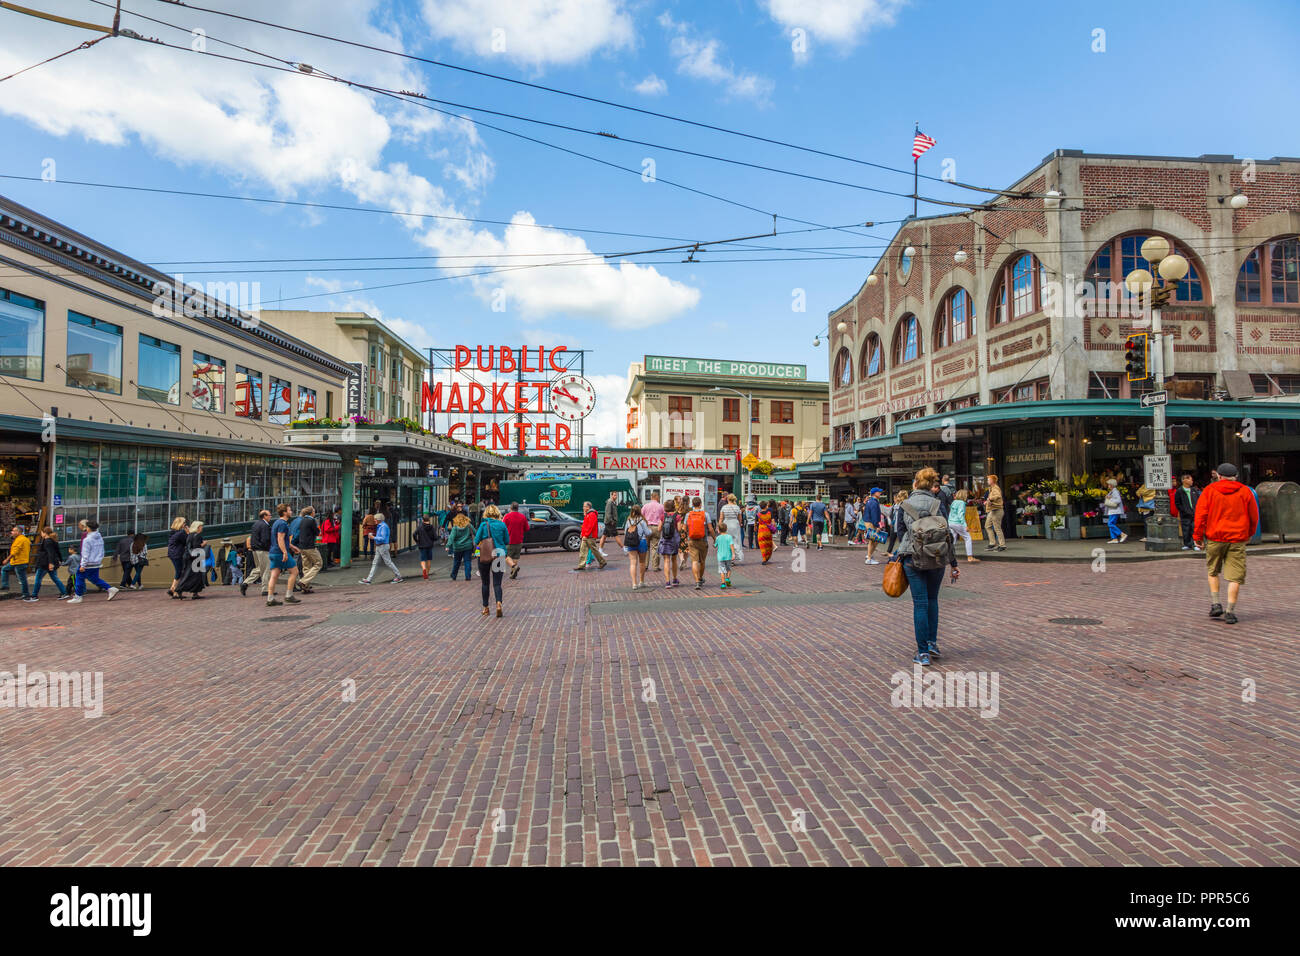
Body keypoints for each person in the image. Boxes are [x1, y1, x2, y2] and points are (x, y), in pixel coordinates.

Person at [894, 467, 959, 666]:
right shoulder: (938, 504)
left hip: (912, 558)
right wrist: (954, 563)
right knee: (933, 600)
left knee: (920, 603)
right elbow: (946, 534)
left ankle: (922, 653)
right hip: (936, 558)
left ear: (915, 483)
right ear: (932, 485)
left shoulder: (905, 504)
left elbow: (899, 533)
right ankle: (932, 642)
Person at [1193, 462, 1258, 626]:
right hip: (1237, 538)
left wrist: (1198, 536)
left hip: (1215, 537)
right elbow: (1253, 516)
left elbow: (1201, 516)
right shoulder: (1245, 491)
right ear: (1235, 476)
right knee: (1235, 577)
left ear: (1219, 476)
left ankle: (1216, 603)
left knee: (1213, 570)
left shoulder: (1209, 491)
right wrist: (1249, 533)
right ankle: (1230, 611)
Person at [66, 520, 119, 604]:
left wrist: (83, 565)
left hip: (88, 563)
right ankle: (110, 589)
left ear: (89, 528)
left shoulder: (87, 540)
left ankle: (78, 596)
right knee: (94, 579)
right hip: (96, 562)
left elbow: (85, 553)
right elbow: (101, 551)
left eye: (86, 527)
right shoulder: (99, 537)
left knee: (79, 578)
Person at [475, 504, 509, 618]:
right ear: (497, 513)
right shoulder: (502, 525)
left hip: (485, 555)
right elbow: (507, 540)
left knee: (485, 583)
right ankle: (498, 603)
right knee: (497, 583)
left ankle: (486, 608)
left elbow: (476, 540)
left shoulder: (483, 525)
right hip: (499, 555)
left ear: (486, 514)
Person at [359, 510, 402, 585]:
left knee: (387, 562)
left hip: (382, 546)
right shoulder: (382, 526)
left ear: (379, 520)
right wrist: (374, 536)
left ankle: (398, 576)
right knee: (376, 563)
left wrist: (373, 537)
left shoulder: (383, 527)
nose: (374, 520)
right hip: (380, 546)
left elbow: (383, 538)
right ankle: (369, 579)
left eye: (375, 519)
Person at [240, 510, 273, 598]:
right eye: (269, 515)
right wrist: (268, 547)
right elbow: (265, 539)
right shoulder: (265, 525)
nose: (271, 517)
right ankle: (265, 589)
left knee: (259, 568)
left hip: (254, 550)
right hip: (263, 550)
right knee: (267, 569)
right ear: (265, 516)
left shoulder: (256, 524)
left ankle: (245, 583)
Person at [684, 496, 714, 590]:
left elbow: (684, 529)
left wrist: (686, 538)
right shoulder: (705, 514)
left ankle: (697, 581)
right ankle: (700, 578)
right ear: (700, 504)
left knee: (694, 561)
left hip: (692, 540)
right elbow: (710, 528)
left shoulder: (688, 515)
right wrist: (714, 538)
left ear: (692, 504)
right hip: (703, 540)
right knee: (702, 561)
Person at [174, 520, 209, 599]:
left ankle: (191, 592)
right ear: (197, 527)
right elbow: (196, 547)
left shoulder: (190, 535)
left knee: (188, 574)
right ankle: (185, 590)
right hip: (195, 558)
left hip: (188, 557)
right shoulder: (197, 535)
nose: (202, 528)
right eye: (201, 526)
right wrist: (203, 544)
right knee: (194, 575)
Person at [30, 527, 67, 601]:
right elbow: (57, 551)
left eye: (41, 532)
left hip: (44, 563)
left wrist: (50, 563)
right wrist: (60, 560)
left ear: (44, 533)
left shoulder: (47, 541)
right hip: (49, 563)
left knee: (38, 578)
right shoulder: (53, 540)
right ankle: (64, 592)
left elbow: (50, 553)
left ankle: (34, 595)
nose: (41, 534)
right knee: (55, 578)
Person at [573, 501, 607, 571]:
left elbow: (590, 526)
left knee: (593, 550)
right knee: (583, 550)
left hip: (590, 536)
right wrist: (582, 533)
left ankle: (602, 562)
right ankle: (581, 565)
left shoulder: (591, 514)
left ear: (588, 507)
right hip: (587, 536)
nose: (583, 508)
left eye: (584, 506)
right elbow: (585, 525)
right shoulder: (588, 514)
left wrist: (585, 535)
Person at [2, 526, 33, 602]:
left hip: (18, 562)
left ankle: (25, 594)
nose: (12, 532)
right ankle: (5, 586)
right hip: (21, 561)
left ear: (18, 532)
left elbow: (15, 552)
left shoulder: (19, 540)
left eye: (13, 531)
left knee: (22, 579)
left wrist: (7, 559)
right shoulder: (25, 539)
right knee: (5, 569)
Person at [296, 506, 322, 593]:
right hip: (310, 546)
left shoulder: (302, 520)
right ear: (311, 513)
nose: (315, 513)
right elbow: (316, 532)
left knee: (306, 566)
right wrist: (317, 527)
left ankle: (305, 587)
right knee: (318, 563)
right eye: (314, 511)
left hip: (302, 546)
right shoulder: (311, 520)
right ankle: (303, 581)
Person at [623, 503, 649, 589]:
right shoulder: (642, 521)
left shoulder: (628, 521)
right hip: (642, 542)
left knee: (633, 563)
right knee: (642, 562)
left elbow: (625, 533)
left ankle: (634, 583)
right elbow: (648, 533)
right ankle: (641, 581)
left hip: (631, 542)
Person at [948, 489, 979, 562]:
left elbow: (951, 513)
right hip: (958, 523)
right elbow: (960, 515)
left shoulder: (954, 502)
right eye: (966, 495)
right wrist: (965, 525)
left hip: (950, 522)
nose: (967, 496)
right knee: (967, 538)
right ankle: (970, 557)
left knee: (953, 539)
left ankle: (950, 556)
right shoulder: (962, 503)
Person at [1174, 473, 1202, 551]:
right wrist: (1184, 510)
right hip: (1185, 514)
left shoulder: (1194, 490)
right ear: (1184, 480)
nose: (1192, 481)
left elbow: (1198, 500)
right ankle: (1187, 544)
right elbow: (1177, 503)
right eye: (1190, 479)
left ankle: (1195, 544)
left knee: (1194, 529)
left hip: (1194, 513)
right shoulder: (1179, 491)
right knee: (1186, 529)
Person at [502, 502, 529, 580]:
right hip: (519, 540)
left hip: (509, 540)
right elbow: (526, 528)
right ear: (518, 508)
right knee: (515, 557)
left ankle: (514, 567)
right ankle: (513, 572)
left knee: (506, 556)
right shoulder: (522, 517)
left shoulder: (507, 516)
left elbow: (503, 527)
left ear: (510, 508)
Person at [657, 501, 681, 588]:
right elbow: (679, 528)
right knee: (674, 560)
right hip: (674, 540)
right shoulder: (677, 516)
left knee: (666, 560)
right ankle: (675, 579)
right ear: (673, 506)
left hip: (665, 540)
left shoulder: (663, 516)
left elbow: (659, 529)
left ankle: (667, 582)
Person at [447, 514, 475, 580]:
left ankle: (454, 575)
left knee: (456, 562)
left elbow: (451, 537)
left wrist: (448, 545)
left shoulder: (455, 528)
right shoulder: (469, 526)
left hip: (457, 547)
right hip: (468, 546)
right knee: (467, 561)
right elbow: (475, 532)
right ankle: (468, 576)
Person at [643, 491, 665, 573]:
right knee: (655, 547)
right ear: (656, 497)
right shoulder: (661, 506)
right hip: (656, 527)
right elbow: (663, 517)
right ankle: (655, 566)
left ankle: (645, 566)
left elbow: (641, 516)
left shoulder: (645, 506)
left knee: (646, 547)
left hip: (647, 527)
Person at [984, 475, 1006, 551]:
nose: (987, 481)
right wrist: (987, 501)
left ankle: (1002, 545)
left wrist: (989, 499)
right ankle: (992, 543)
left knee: (997, 528)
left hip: (997, 510)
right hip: (992, 510)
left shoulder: (995, 488)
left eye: (988, 480)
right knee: (987, 526)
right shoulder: (991, 488)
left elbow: (998, 496)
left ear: (992, 481)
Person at [862, 489, 884, 565]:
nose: (880, 493)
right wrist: (877, 525)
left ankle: (869, 555)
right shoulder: (874, 502)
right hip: (871, 522)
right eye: (879, 492)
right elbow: (874, 515)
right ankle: (869, 558)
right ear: (874, 493)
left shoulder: (870, 501)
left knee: (873, 540)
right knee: (873, 540)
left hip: (868, 521)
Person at [719, 494, 744, 561]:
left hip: (726, 524)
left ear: (727, 499)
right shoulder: (737, 507)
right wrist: (739, 524)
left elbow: (721, 518)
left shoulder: (724, 507)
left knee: (727, 541)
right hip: (735, 524)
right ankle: (735, 557)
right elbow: (740, 518)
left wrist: (719, 526)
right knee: (736, 541)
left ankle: (728, 557)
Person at [414, 513, 439, 579]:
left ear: (423, 520)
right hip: (429, 545)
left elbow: (414, 534)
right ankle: (427, 574)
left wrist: (417, 541)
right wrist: (432, 540)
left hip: (422, 545)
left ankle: (424, 569)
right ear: (429, 519)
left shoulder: (420, 527)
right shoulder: (432, 527)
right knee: (428, 560)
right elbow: (436, 537)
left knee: (422, 560)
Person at [1104, 478, 1128, 543]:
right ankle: (1114, 539)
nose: (1108, 485)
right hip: (1112, 510)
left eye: (1109, 484)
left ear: (1112, 485)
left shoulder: (1115, 491)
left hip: (1115, 510)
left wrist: (1110, 499)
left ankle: (1122, 534)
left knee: (1110, 524)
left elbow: (1118, 500)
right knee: (1112, 524)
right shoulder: (1112, 491)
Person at [715, 520, 735, 589]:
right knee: (728, 568)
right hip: (728, 556)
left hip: (720, 557)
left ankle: (723, 583)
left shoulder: (718, 538)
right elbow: (731, 545)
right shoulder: (729, 537)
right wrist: (733, 554)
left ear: (719, 530)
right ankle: (728, 579)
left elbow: (715, 545)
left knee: (722, 570)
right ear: (726, 529)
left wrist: (714, 545)